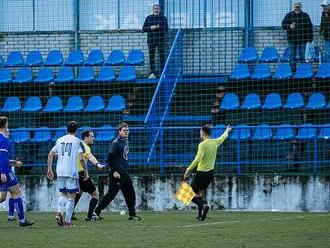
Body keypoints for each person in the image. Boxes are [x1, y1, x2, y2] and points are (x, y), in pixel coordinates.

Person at [94, 122, 141, 221]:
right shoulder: (116, 143)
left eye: (127, 130)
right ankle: (96, 212)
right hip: (117, 173)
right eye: (124, 130)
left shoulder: (126, 141)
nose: (126, 132)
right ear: (119, 131)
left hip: (123, 172)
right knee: (112, 194)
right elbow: (109, 158)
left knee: (129, 193)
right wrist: (114, 171)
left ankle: (132, 214)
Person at [184, 124, 232, 221]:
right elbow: (222, 138)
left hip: (201, 173)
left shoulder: (202, 144)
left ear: (203, 133)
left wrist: (188, 170)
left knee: (188, 194)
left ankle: (203, 206)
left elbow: (197, 159)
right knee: (198, 193)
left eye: (200, 132)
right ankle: (200, 215)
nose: (199, 133)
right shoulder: (214, 142)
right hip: (210, 174)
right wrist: (227, 131)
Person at [47, 121, 88, 227]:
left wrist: (49, 169)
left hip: (60, 171)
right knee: (72, 196)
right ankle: (68, 222)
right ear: (77, 131)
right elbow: (82, 158)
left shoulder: (60, 140)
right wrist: (86, 171)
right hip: (71, 171)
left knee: (63, 193)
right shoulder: (78, 141)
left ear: (66, 129)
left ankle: (59, 212)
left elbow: (51, 154)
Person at [0, 116, 34, 227]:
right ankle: (22, 220)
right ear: (5, 125)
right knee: (16, 193)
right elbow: (2, 157)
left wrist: (13, 162)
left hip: (4, 169)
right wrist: (2, 172)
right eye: (7, 124)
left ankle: (22, 220)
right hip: (5, 171)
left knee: (3, 197)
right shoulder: (3, 138)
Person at [71, 130, 106, 221]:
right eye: (92, 136)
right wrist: (97, 164)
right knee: (95, 194)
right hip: (81, 173)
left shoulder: (76, 144)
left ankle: (70, 213)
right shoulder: (84, 146)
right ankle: (89, 216)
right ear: (86, 138)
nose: (93, 138)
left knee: (79, 192)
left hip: (72, 173)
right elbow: (90, 157)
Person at [282, 2, 313, 70]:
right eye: (296, 7)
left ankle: (303, 72)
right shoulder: (289, 15)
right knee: (292, 57)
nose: (297, 8)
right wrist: (289, 26)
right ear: (294, 7)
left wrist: (310, 38)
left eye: (298, 7)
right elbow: (283, 25)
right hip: (292, 40)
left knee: (303, 56)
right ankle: (293, 72)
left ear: (301, 7)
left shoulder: (305, 15)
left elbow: (310, 27)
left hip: (302, 40)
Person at [143, 3, 168, 79]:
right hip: (151, 40)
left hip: (161, 40)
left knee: (162, 56)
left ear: (160, 10)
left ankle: (163, 73)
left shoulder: (163, 18)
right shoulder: (149, 18)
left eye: (157, 9)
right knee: (152, 56)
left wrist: (158, 27)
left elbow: (166, 28)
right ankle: (153, 73)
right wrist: (151, 28)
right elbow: (144, 28)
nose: (156, 10)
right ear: (153, 9)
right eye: (155, 9)